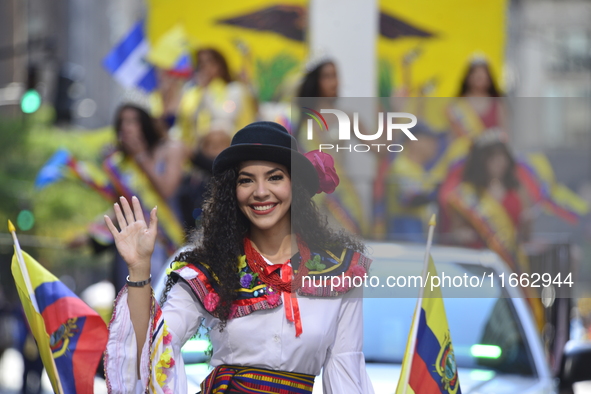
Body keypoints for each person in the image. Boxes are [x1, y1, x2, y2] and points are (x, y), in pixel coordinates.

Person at [103, 122, 375, 393]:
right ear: (232, 191)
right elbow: (153, 348)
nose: (260, 191)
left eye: (275, 177)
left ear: (295, 184)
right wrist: (139, 270)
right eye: (246, 180)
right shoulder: (209, 267)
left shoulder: (339, 271)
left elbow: (346, 369)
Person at [439, 131, 531, 272]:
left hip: (510, 264)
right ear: (481, 160)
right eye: (493, 157)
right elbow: (454, 231)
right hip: (476, 263)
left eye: (503, 156)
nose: (500, 162)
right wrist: (461, 235)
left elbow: (526, 235)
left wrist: (528, 222)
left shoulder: (518, 190)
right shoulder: (466, 193)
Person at [447, 58, 507, 138]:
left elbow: (505, 132)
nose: (479, 77)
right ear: (468, 77)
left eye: (483, 75)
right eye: (476, 74)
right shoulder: (457, 105)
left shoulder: (497, 103)